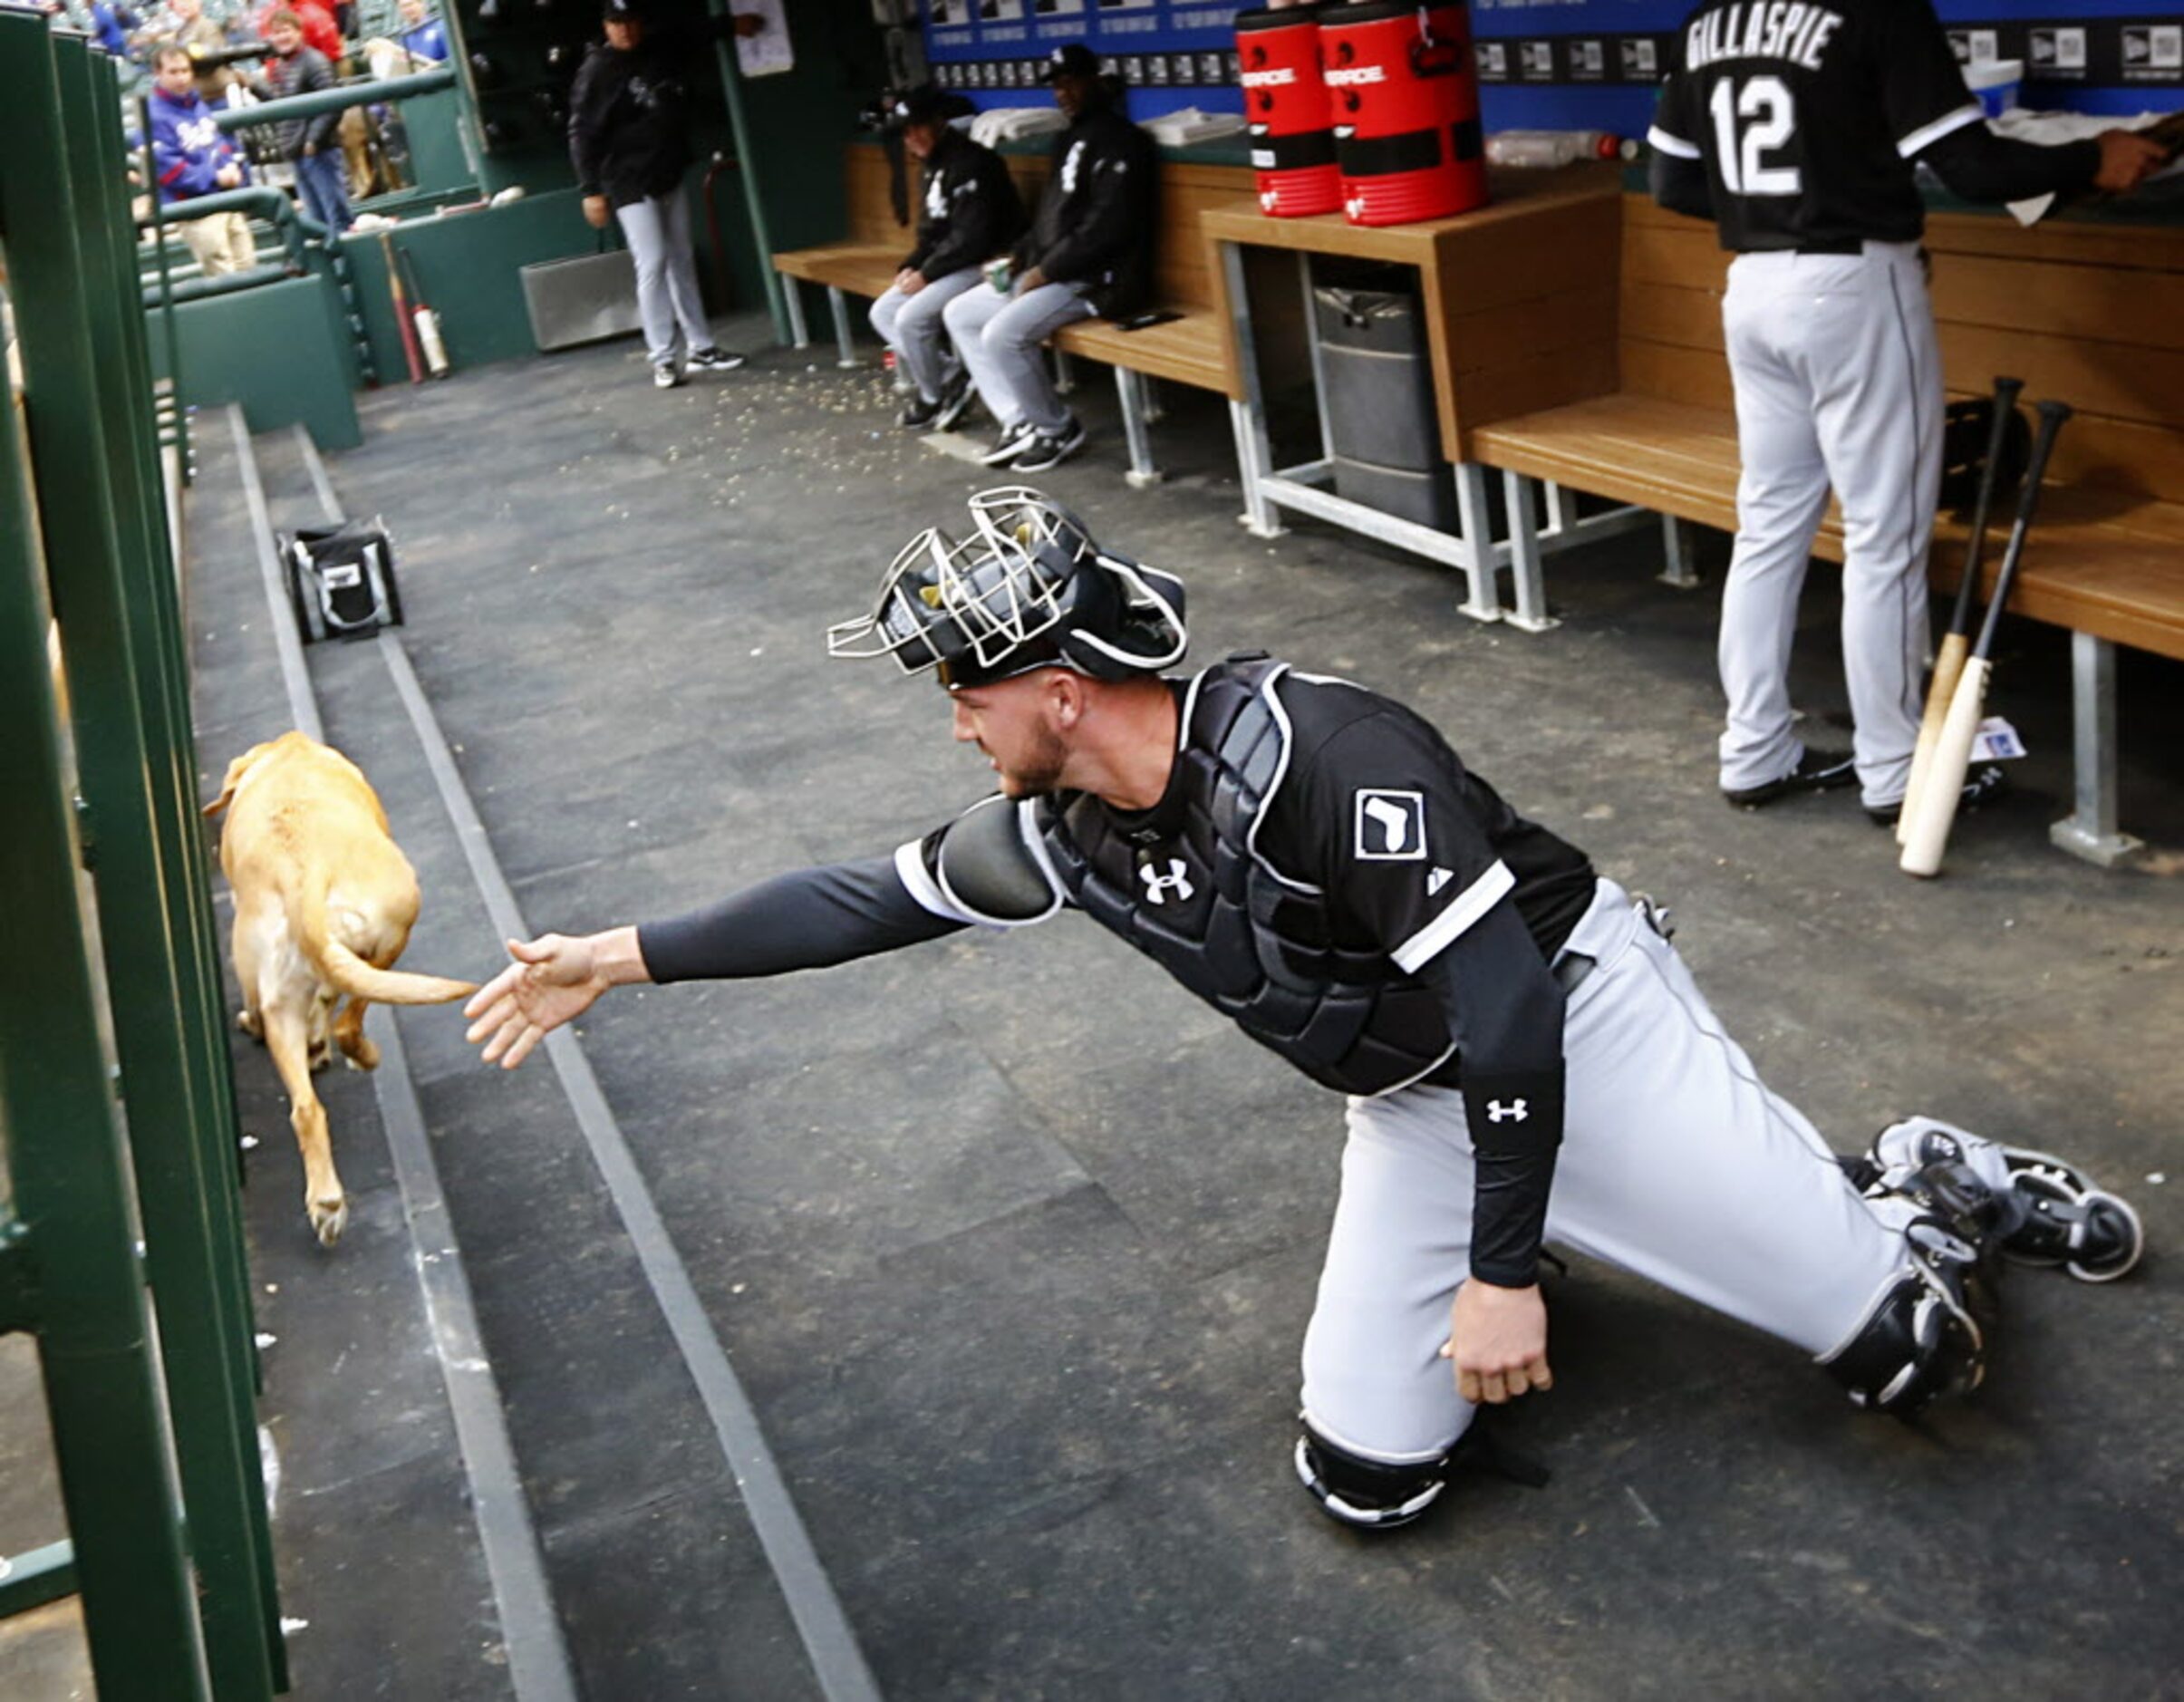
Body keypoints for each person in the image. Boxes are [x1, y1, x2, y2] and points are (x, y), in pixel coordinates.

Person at [461, 489, 2143, 1531]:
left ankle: (1916, 1182)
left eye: (966, 692)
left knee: (1918, 1357)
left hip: (1576, 1031)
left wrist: (1493, 1280)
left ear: (1058, 687)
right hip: (1428, 1103)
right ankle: (1555, 1224)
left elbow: (1504, 1008)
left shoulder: (1326, 753)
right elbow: (861, 898)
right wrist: (614, 955)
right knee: (1370, 1476)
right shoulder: (1068, 821)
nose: (954, 723)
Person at [1647, 0, 2170, 825]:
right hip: (1854, 284)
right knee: (1883, 539)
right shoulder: (1877, 8)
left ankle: (1753, 751)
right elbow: (1972, 168)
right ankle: (1895, 770)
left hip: (1753, 284)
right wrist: (2090, 156)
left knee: (1769, 523)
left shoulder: (1710, 17)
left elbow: (1673, 182)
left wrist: (1790, 212)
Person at [942, 43, 1156, 473]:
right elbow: (1049, 221)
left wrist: (1047, 269)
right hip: (1051, 274)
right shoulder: (1068, 138)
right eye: (1057, 84)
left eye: (1072, 81)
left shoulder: (1123, 141)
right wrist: (1018, 259)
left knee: (1003, 334)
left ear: (1096, 80)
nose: (1064, 92)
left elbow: (1108, 228)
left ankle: (1057, 428)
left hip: (1097, 280)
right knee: (961, 312)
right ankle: (1019, 421)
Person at [568, 0, 745, 390]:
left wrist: (733, 24)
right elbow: (581, 132)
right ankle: (662, 357)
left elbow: (694, 33)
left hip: (667, 170)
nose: (625, 30)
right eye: (616, 23)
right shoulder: (597, 70)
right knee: (652, 261)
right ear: (606, 26)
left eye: (630, 21)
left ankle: (701, 347)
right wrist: (590, 189)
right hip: (627, 178)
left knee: (681, 257)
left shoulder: (657, 47)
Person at [870, 85, 1024, 434]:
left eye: (918, 127)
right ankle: (950, 375)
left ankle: (932, 393)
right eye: (906, 132)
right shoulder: (931, 166)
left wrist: (927, 274)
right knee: (883, 310)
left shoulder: (973, 162)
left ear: (939, 122)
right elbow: (930, 233)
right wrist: (911, 264)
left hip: (988, 263)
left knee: (910, 317)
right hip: (951, 263)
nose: (912, 137)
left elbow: (974, 239)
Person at [148, 43, 256, 277]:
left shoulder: (196, 103)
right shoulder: (154, 115)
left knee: (248, 266)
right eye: (173, 72)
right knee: (224, 277)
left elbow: (219, 143)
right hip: (197, 210)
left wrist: (230, 165)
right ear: (158, 73)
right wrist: (215, 175)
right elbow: (168, 170)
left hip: (226, 199)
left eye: (185, 71)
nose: (181, 78)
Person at [256, 8, 350, 235]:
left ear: (299, 32)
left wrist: (313, 140)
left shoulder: (314, 61)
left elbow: (333, 103)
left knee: (336, 216)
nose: (281, 37)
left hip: (319, 151)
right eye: (276, 33)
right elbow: (281, 104)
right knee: (316, 221)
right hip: (298, 151)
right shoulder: (281, 66)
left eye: (286, 31)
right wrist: (254, 85)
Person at [393, 0, 446, 65]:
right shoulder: (404, 37)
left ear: (421, 3)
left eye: (410, 4)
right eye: (403, 7)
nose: (407, 10)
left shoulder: (439, 27)